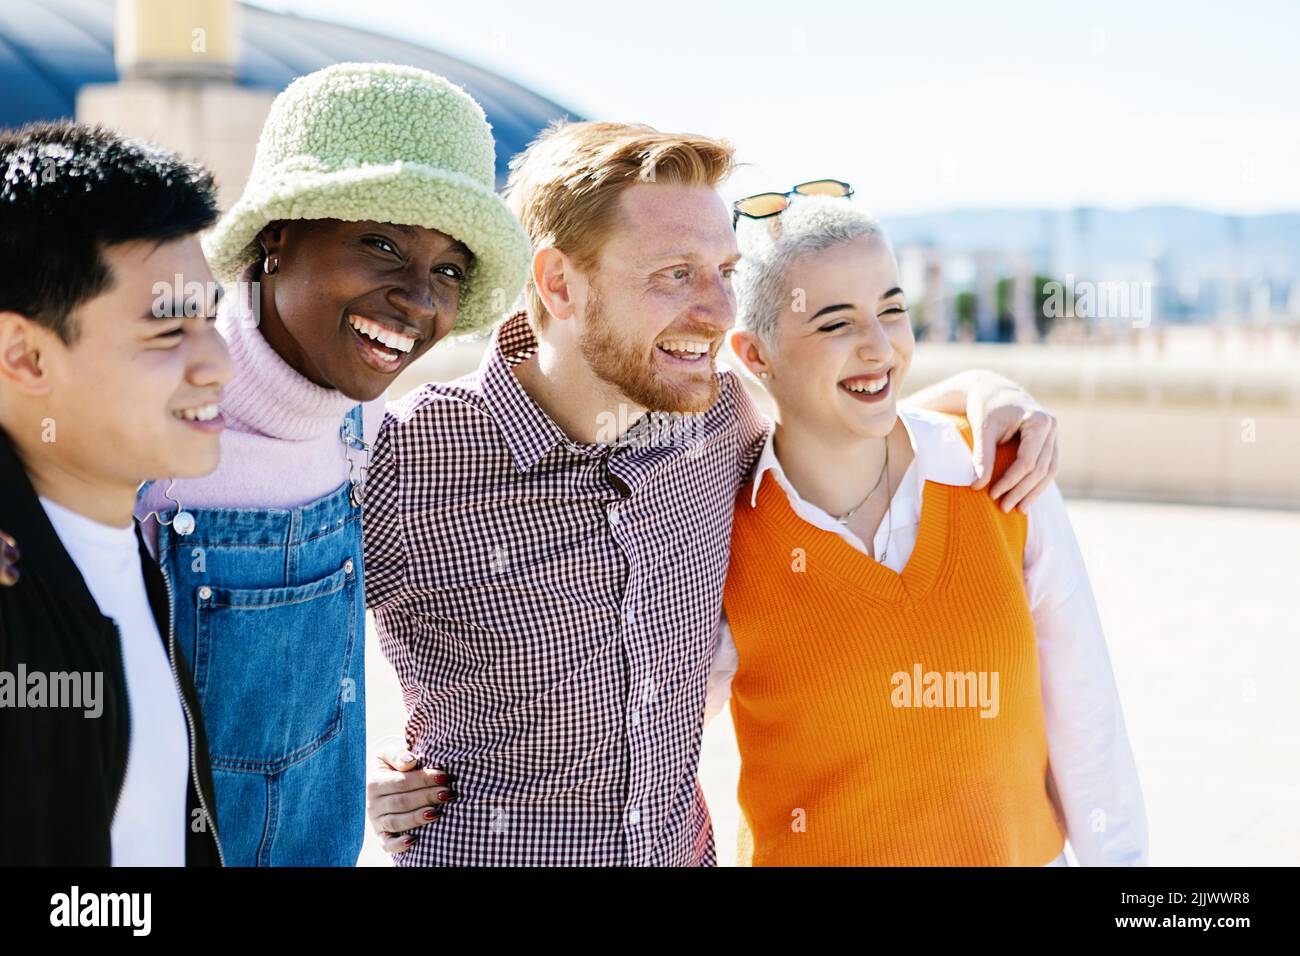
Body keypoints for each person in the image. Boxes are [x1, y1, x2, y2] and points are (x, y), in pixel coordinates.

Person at [362, 121, 1062, 865]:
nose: (722, 312)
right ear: (559, 283)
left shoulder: (716, 419)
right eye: (675, 273)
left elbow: (835, 411)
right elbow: (267, 637)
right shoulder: (408, 455)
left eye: (724, 271)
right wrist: (354, 778)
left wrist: (983, 390)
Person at [130, 62, 531, 866]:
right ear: (278, 236)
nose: (420, 299)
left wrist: (376, 775)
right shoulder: (142, 429)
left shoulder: (369, 431)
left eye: (448, 270)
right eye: (380, 243)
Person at [706, 195, 1147, 865]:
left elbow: (1087, 714)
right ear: (754, 353)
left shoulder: (999, 471)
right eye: (834, 322)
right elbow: (649, 747)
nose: (879, 347)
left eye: (892, 309)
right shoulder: (728, 539)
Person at [0, 122, 231, 865]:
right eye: (169, 331)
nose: (218, 363)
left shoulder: (132, 549)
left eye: (212, 318)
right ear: (25, 356)